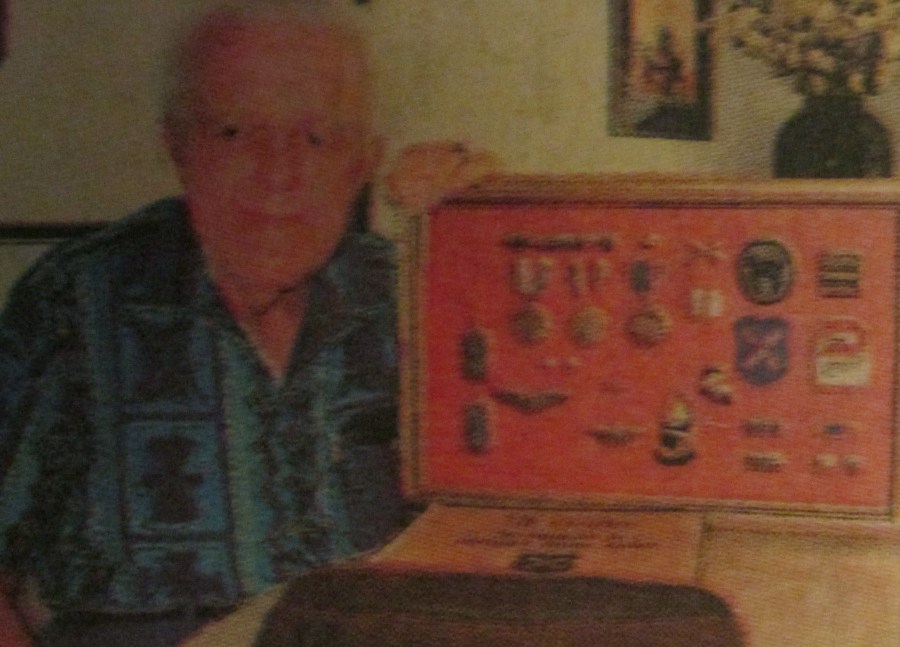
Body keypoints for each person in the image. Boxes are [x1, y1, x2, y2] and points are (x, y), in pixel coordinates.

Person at [0, 2, 499, 645]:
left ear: (363, 161)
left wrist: (496, 237)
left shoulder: (412, 296)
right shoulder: (76, 302)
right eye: (234, 133)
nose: (277, 176)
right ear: (176, 145)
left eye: (317, 137)